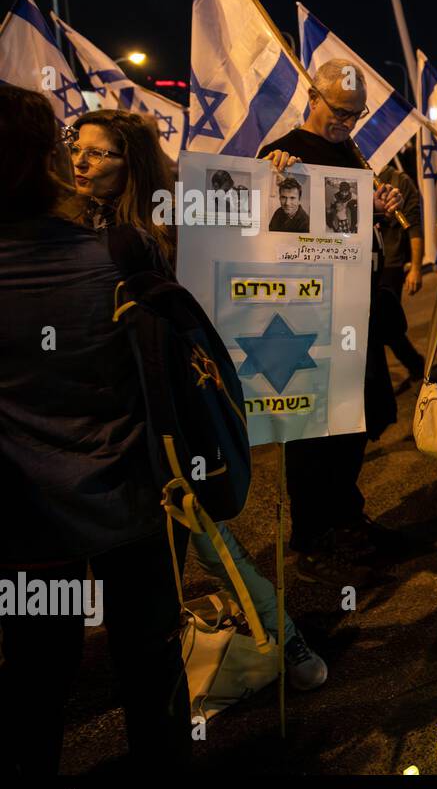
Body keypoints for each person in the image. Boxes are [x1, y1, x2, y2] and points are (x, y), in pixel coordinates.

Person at [69, 109, 329, 692]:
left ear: (129, 161)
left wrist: (269, 175)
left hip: (160, 413)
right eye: (76, 148)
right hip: (111, 415)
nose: (80, 161)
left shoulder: (150, 230)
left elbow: (242, 230)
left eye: (98, 152)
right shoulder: (78, 220)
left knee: (201, 531)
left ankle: (280, 640)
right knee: (165, 548)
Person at [0, 88, 190, 772]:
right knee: (147, 669)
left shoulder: (126, 245)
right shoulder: (114, 254)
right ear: (47, 160)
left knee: (34, 681)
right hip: (126, 506)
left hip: (34, 530)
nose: (79, 161)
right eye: (68, 148)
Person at [259, 59, 405, 585]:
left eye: (356, 113)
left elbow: (348, 225)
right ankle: (311, 537)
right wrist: (267, 175)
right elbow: (267, 230)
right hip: (307, 316)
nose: (348, 120)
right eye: (340, 110)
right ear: (313, 97)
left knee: (358, 419)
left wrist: (379, 210)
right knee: (312, 429)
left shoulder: (350, 152)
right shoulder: (283, 153)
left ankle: (345, 515)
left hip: (355, 312)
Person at [375, 151, 426, 394]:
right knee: (374, 327)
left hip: (390, 265)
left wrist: (415, 267)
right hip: (362, 263)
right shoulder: (355, 176)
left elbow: (414, 227)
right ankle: (414, 367)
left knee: (387, 324)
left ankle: (417, 367)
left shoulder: (400, 181)